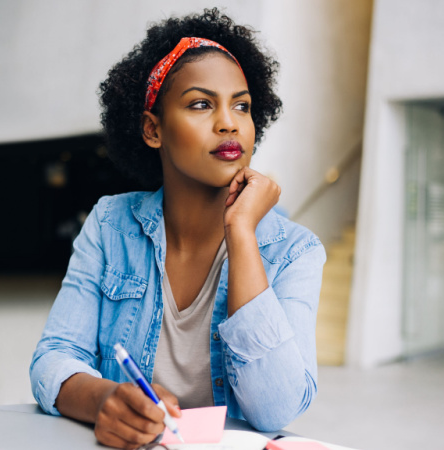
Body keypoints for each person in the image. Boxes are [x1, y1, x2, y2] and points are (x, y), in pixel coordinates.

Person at [30, 8, 326, 449]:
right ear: (153, 129)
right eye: (201, 104)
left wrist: (242, 233)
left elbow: (275, 410)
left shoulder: (296, 250)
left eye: (241, 106)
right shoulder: (111, 224)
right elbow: (53, 358)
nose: (228, 122)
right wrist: (104, 400)